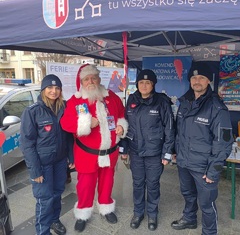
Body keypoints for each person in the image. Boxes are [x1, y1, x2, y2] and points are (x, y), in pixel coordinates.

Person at [60, 64, 128, 232]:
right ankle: (83, 213)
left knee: (107, 183)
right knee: (85, 186)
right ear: (81, 81)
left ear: (99, 79)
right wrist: (86, 123)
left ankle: (106, 207)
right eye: (86, 79)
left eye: (93, 77)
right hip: (86, 155)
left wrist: (121, 126)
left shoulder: (112, 97)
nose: (90, 81)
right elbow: (65, 124)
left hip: (109, 153)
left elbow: (121, 115)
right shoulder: (75, 101)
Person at [171, 64, 233, 235]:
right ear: (190, 81)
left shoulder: (217, 107)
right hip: (184, 162)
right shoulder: (184, 103)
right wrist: (175, 151)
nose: (197, 81)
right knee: (188, 194)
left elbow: (224, 142)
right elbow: (179, 132)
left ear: (208, 81)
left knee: (207, 203)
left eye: (201, 78)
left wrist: (214, 170)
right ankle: (189, 219)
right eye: (193, 78)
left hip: (204, 166)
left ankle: (209, 232)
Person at [119, 69, 175, 231]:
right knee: (137, 184)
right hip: (135, 152)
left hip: (154, 153)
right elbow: (125, 124)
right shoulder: (131, 99)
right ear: (137, 84)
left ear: (153, 84)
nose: (144, 85)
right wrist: (124, 148)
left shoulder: (161, 102)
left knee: (152, 184)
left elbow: (169, 129)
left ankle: (152, 214)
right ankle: (138, 213)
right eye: (141, 82)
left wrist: (167, 153)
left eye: (148, 82)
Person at [20, 74, 74, 235]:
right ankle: (43, 231)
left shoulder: (64, 108)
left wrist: (71, 156)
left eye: (57, 88)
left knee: (57, 193)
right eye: (50, 88)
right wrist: (35, 171)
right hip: (42, 164)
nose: (54, 91)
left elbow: (69, 136)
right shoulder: (32, 112)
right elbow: (27, 144)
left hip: (59, 162)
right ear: (43, 90)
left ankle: (54, 220)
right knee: (45, 198)